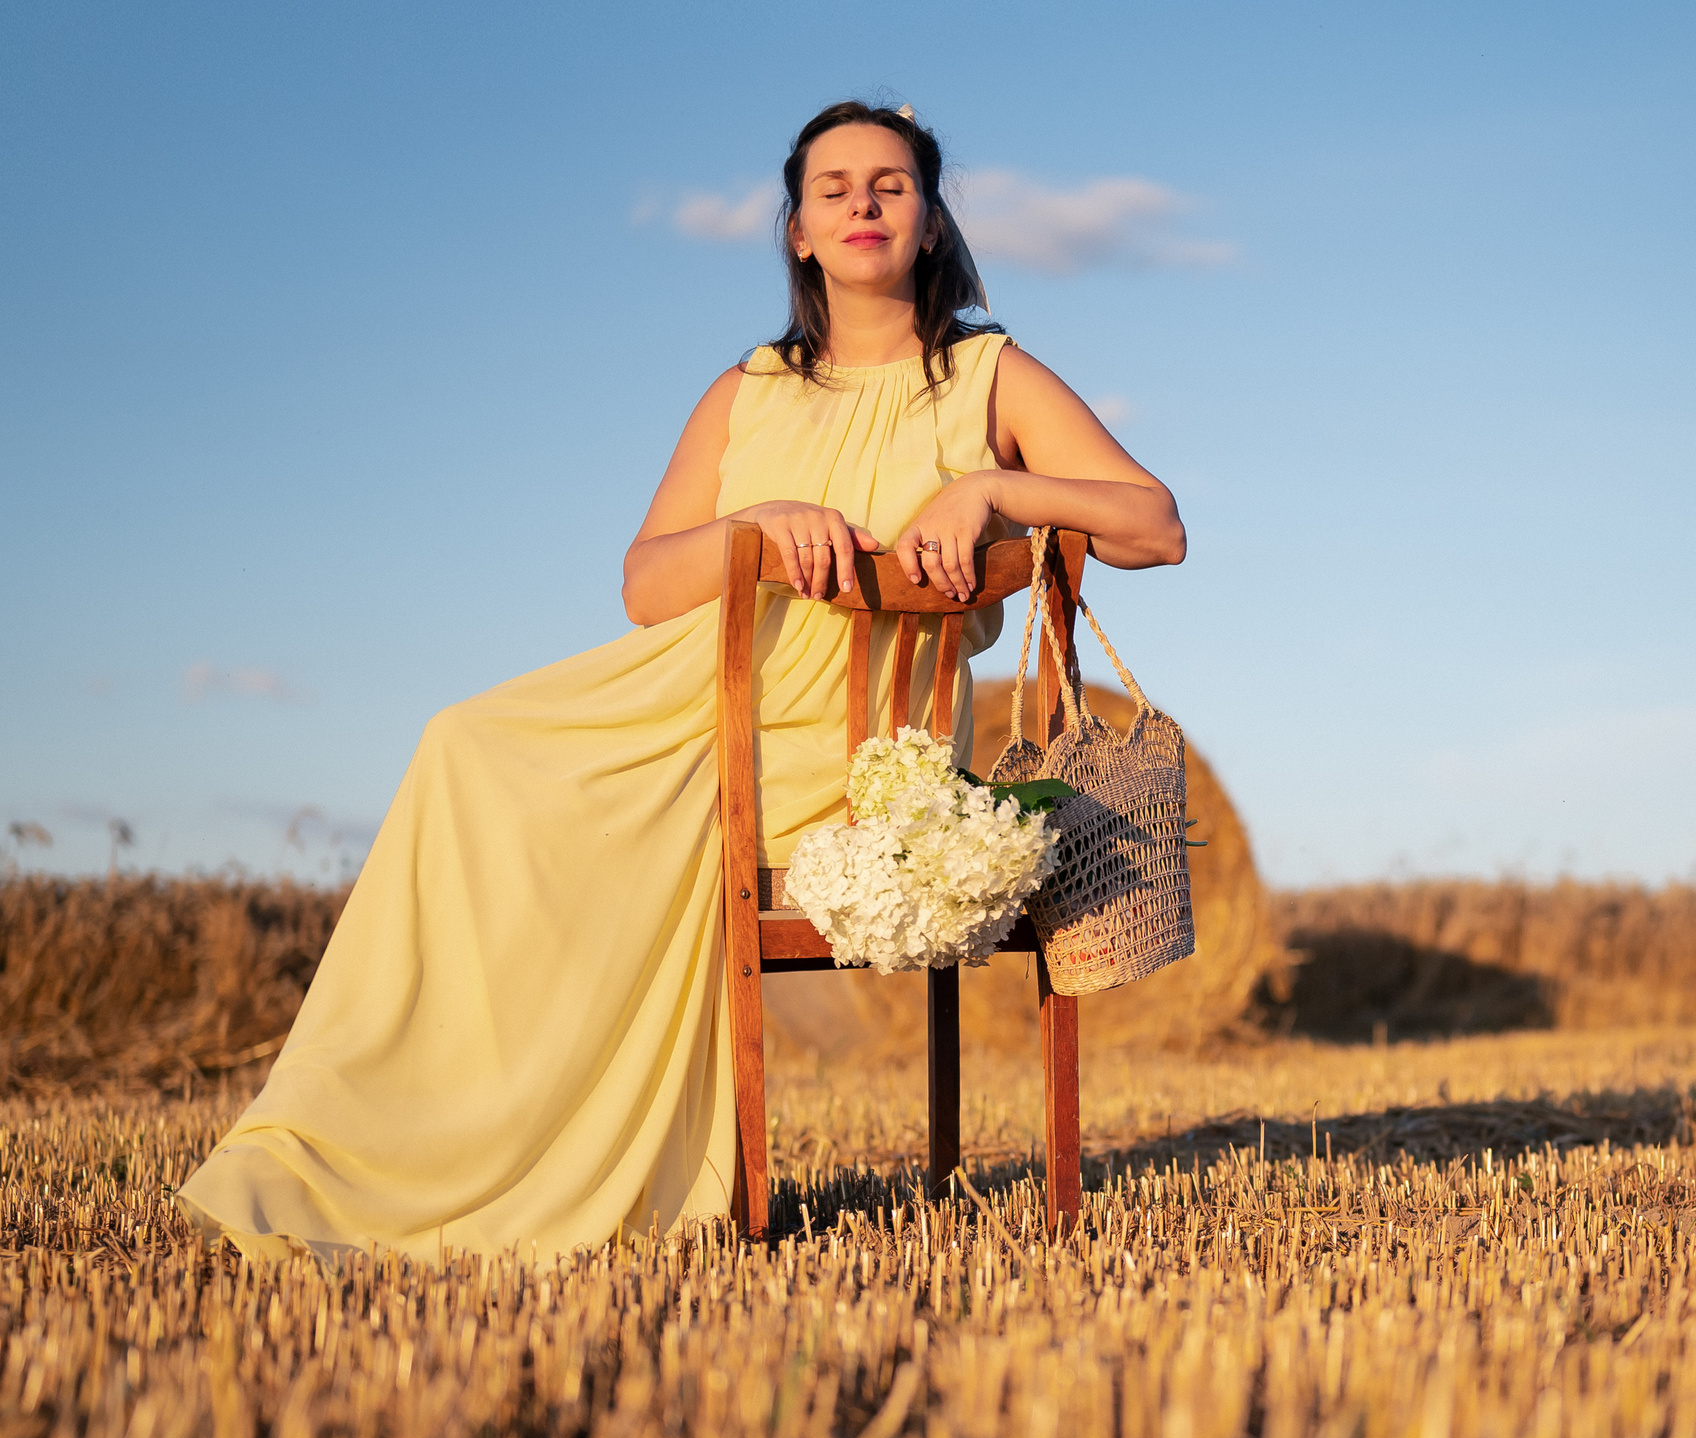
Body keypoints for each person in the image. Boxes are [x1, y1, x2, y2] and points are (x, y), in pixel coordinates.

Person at [178, 100, 1184, 1259]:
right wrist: (751, 521)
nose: (863, 202)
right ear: (798, 231)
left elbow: (1154, 523)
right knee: (467, 744)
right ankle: (405, 1130)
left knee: (509, 777)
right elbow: (646, 586)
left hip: (864, 772)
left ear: (930, 219)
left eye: (891, 184)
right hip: (703, 709)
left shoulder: (987, 378)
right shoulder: (745, 390)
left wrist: (998, 492)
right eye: (835, 187)